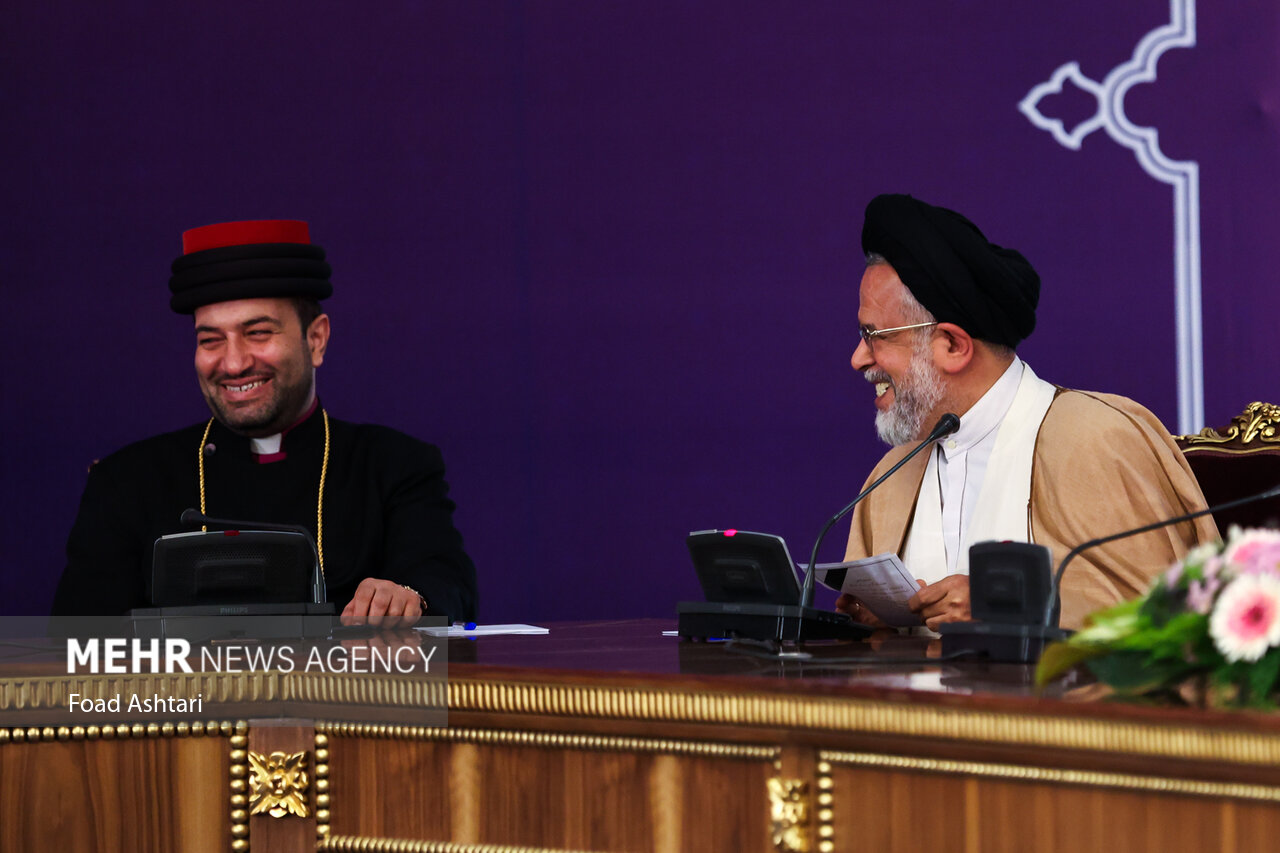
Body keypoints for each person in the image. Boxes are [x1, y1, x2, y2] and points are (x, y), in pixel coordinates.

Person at [51, 219, 476, 627]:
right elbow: (76, 641)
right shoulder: (127, 481)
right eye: (210, 340)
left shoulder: (394, 466)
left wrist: (407, 596)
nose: (233, 363)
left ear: (316, 340)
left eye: (257, 333)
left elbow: (446, 582)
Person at [836, 194, 1215, 631]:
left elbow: (1174, 626)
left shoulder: (1096, 438)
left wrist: (1011, 607)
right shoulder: (891, 477)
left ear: (953, 346)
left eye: (874, 335)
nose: (859, 358)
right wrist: (873, 625)